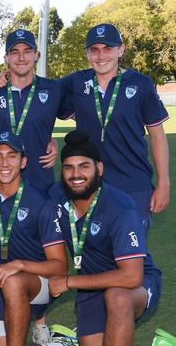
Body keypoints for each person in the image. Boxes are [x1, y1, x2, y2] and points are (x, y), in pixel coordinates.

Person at [48, 129, 162, 346]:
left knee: (117, 297)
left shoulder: (120, 208)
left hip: (133, 285)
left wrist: (68, 281)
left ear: (99, 169)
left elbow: (131, 277)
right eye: (69, 168)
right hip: (91, 285)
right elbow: (24, 194)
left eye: (84, 166)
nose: (76, 175)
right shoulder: (56, 194)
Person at [59, 23, 170, 227]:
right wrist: (6, 76)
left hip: (133, 184)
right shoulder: (76, 83)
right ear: (87, 54)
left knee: (131, 253)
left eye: (108, 48)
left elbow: (157, 135)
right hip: (89, 184)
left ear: (121, 50)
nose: (101, 56)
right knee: (93, 252)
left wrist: (163, 182)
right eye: (95, 50)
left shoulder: (140, 84)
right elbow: (38, 91)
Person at [0, 131, 67, 346]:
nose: (5, 163)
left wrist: (18, 265)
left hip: (38, 283)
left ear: (23, 162)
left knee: (12, 282)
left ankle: (31, 317)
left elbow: (60, 267)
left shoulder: (42, 203)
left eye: (12, 156)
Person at [0, 30, 70, 192]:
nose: (21, 58)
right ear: (6, 58)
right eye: (15, 52)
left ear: (36, 55)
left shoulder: (54, 90)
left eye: (27, 52)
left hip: (41, 184)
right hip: (0, 185)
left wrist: (53, 140)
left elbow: (83, 116)